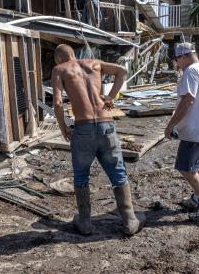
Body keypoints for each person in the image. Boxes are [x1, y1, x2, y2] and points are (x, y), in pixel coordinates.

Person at [51, 44, 145, 236]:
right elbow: (122, 71)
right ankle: (130, 221)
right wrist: (110, 96)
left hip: (83, 128)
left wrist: (63, 127)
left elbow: (58, 102)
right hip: (106, 126)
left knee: (81, 175)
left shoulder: (60, 69)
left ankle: (85, 223)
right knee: (117, 172)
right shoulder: (94, 63)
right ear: (73, 53)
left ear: (59, 58)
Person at [164, 42, 199, 221]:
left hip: (195, 128)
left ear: (183, 56)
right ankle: (197, 198)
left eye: (176, 60)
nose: (177, 64)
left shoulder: (191, 71)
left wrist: (171, 124)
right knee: (198, 166)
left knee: (185, 168)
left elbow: (188, 100)